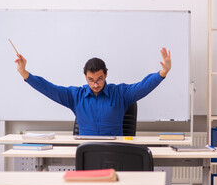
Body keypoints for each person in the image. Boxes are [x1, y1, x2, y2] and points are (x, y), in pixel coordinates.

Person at [15, 48, 171, 136]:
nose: (95, 84)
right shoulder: (75, 96)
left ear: (106, 75)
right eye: (91, 80)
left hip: (115, 152)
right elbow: (49, 89)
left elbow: (142, 86)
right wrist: (24, 73)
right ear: (85, 77)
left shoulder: (120, 94)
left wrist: (162, 72)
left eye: (99, 79)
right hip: (87, 151)